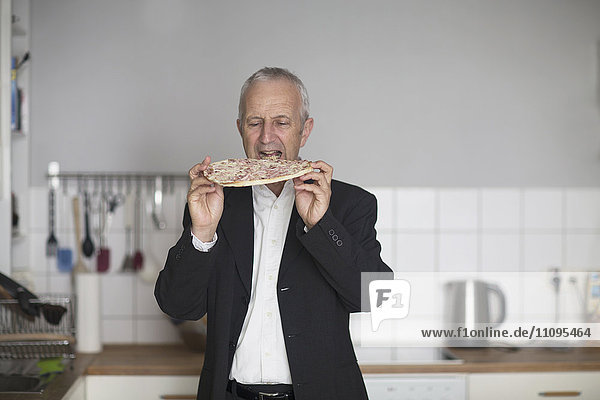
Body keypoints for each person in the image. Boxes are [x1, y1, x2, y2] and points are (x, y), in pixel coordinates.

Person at [155, 67, 392, 400]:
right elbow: (179, 306)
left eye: (281, 122)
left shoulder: (350, 205)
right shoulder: (213, 202)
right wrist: (202, 233)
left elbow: (373, 295)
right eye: (255, 122)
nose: (267, 138)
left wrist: (321, 225)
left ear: (304, 130)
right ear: (240, 129)